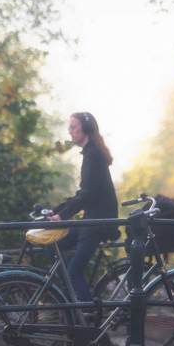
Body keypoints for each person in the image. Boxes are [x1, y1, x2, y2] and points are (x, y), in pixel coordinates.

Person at [48, 112, 119, 303]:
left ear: (85, 130)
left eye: (73, 127)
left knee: (74, 271)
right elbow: (84, 193)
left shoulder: (93, 155)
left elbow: (87, 195)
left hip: (97, 223)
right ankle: (69, 302)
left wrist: (62, 216)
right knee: (51, 244)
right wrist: (56, 211)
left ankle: (88, 318)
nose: (69, 131)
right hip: (92, 220)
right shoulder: (91, 153)